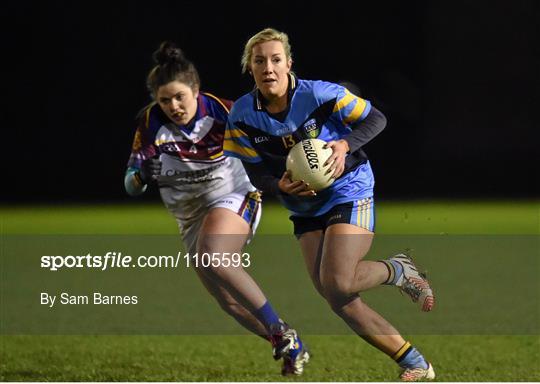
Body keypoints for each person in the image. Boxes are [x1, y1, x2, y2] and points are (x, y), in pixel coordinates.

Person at [224, 28, 436, 381]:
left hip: (349, 190)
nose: (269, 67)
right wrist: (277, 185)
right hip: (305, 207)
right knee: (335, 296)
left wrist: (345, 145)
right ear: (251, 68)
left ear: (289, 63)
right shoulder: (242, 115)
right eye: (259, 61)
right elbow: (254, 171)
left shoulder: (322, 93)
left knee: (337, 281)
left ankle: (398, 270)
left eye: (276, 59)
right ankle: (415, 362)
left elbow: (376, 118)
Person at [124, 41, 309, 376]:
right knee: (229, 301)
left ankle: (281, 332)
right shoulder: (151, 124)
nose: (173, 106)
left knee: (215, 254)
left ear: (196, 89)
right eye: (164, 100)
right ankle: (286, 341)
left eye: (180, 96)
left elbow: (268, 143)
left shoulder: (224, 112)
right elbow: (130, 183)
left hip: (234, 193)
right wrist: (141, 176)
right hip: (191, 215)